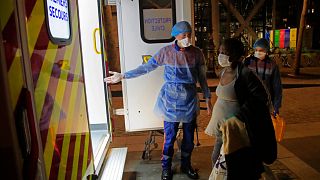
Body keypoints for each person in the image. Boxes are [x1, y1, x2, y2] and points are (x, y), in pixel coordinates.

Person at [105, 21, 212, 180]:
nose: (187, 38)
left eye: (189, 34)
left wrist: (208, 97)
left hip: (189, 101)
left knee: (189, 138)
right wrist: (123, 76)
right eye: (184, 35)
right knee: (169, 138)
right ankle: (166, 168)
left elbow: (202, 78)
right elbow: (146, 68)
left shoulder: (197, 53)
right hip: (170, 101)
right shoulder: (165, 52)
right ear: (175, 35)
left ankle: (186, 165)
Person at [205, 38, 277, 179]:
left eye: (224, 52)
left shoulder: (245, 74)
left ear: (234, 54)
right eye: (220, 51)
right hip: (222, 128)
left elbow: (261, 98)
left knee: (229, 163)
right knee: (219, 161)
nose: (220, 55)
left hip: (235, 130)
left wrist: (239, 116)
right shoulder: (224, 71)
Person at [244, 38, 282, 116]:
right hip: (249, 102)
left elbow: (277, 87)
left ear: (266, 51)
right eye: (256, 50)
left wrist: (276, 106)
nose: (258, 52)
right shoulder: (248, 62)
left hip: (265, 103)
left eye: (261, 50)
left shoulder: (272, 66)